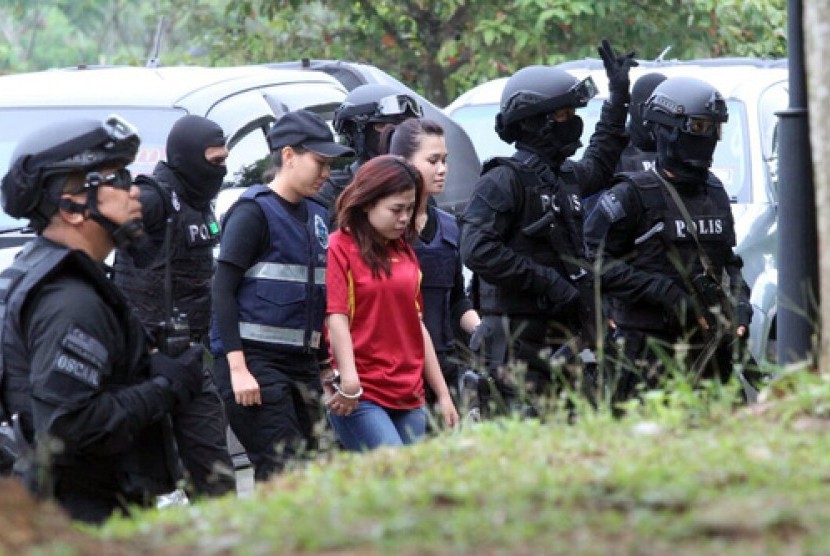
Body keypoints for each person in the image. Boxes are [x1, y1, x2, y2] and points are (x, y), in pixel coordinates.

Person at [0, 115, 206, 523]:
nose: (134, 193)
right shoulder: (69, 300)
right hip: (79, 520)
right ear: (71, 208)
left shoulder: (49, 271)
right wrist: (166, 387)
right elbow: (69, 427)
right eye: (117, 178)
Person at [458, 40, 636, 413]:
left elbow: (601, 160)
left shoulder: (563, 177)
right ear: (534, 121)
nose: (572, 122)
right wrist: (548, 282)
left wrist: (618, 98)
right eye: (563, 114)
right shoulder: (503, 180)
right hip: (515, 344)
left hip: (558, 341)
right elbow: (476, 249)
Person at [583, 76, 752, 403]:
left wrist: (740, 306)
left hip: (710, 355)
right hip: (648, 357)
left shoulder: (714, 192)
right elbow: (593, 264)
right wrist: (664, 293)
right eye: (699, 127)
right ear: (668, 128)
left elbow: (729, 262)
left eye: (714, 128)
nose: (709, 138)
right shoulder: (629, 196)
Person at [209, 110, 354, 482]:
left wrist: (324, 368)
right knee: (282, 471)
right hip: (256, 364)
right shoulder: (252, 211)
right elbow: (222, 291)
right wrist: (238, 369)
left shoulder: (319, 216)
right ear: (288, 156)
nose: (326, 173)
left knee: (315, 468)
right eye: (319, 162)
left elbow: (314, 299)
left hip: (301, 364)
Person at [112, 115, 235, 498]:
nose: (221, 170)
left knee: (217, 480)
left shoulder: (200, 200)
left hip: (191, 359)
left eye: (224, 160)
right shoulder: (153, 198)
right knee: (145, 485)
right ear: (186, 157)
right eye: (213, 161)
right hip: (143, 364)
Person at [325, 155, 459, 451]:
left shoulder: (406, 252)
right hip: (362, 393)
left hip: (409, 392)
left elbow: (416, 324)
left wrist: (443, 393)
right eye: (396, 209)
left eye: (410, 209)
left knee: (411, 488)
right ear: (367, 203)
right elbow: (336, 317)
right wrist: (349, 381)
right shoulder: (339, 247)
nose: (404, 218)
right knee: (398, 473)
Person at [381, 118, 480, 402]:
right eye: (433, 160)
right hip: (395, 370)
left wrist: (480, 328)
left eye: (445, 160)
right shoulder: (382, 230)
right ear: (403, 162)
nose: (443, 169)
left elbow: (457, 299)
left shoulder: (449, 227)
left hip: (444, 366)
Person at [314, 83, 422, 224]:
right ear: (357, 132)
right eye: (382, 126)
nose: (395, 135)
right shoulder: (332, 192)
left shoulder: (415, 186)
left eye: (404, 128)